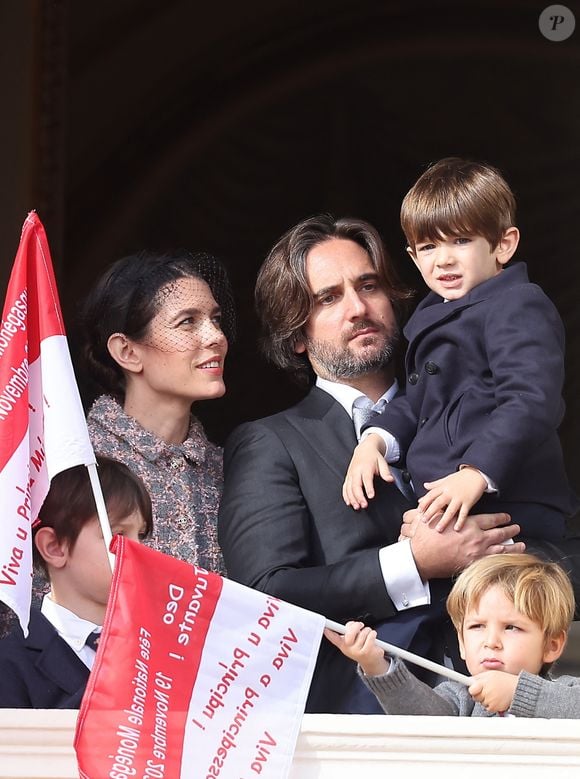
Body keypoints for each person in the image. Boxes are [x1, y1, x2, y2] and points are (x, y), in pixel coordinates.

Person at [218, 214, 526, 714]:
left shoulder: (486, 408)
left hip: (508, 715)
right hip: (362, 723)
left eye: (368, 285)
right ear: (296, 334)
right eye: (328, 298)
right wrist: (414, 563)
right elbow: (265, 595)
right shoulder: (271, 441)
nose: (358, 308)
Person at [343, 158, 579, 540]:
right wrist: (374, 441)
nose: (444, 258)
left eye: (461, 240)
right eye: (429, 246)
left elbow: (531, 399)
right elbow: (417, 404)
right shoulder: (432, 313)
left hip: (512, 507)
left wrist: (476, 472)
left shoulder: (516, 303)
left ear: (503, 244)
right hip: (449, 507)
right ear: (413, 258)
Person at [81, 249, 235, 574]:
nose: (216, 337)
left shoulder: (231, 471)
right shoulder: (75, 467)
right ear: (127, 351)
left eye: (216, 320)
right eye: (188, 322)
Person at [325, 553, 580, 717]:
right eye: (476, 626)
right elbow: (422, 719)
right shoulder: (460, 698)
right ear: (461, 642)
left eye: (511, 627)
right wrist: (375, 664)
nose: (491, 642)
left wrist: (518, 692)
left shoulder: (565, 691)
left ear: (552, 645)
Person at [0, 455, 153, 708]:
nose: (137, 550)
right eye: (117, 534)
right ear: (54, 547)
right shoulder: (11, 664)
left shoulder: (164, 648)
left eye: (141, 535)